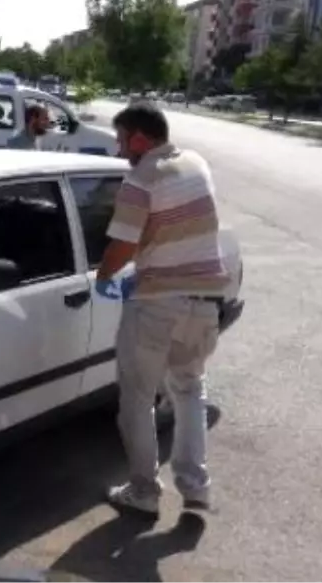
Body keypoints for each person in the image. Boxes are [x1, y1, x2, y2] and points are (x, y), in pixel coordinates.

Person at [94, 102, 228, 517]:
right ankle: (195, 487)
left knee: (137, 398)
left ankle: (144, 492)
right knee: (189, 390)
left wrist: (102, 278)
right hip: (205, 302)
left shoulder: (142, 177)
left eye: (121, 141)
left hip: (156, 305)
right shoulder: (196, 163)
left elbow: (123, 245)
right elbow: (173, 227)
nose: (119, 151)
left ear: (139, 138)